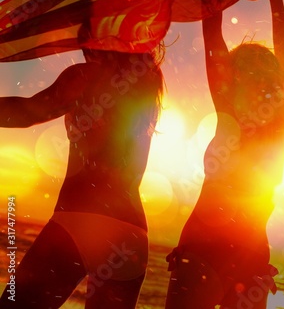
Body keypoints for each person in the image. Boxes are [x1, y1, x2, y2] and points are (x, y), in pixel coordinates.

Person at [164, 0, 284, 308]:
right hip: (251, 257)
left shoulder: (231, 114)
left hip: (206, 249)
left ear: (235, 77)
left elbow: (213, 38)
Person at [0, 42, 165, 308]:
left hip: (80, 218)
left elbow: (29, 112)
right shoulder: (146, 84)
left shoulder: (85, 76)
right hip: (131, 235)